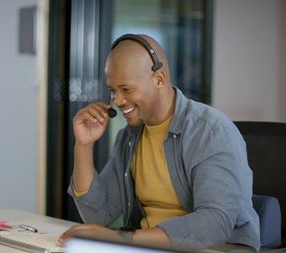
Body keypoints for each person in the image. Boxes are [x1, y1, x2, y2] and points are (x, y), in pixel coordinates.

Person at [59, 34, 260, 251]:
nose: (117, 101)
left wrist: (121, 239)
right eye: (113, 91)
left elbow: (214, 224)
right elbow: (97, 215)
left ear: (159, 79)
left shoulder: (210, 131)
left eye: (126, 89)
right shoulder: (130, 137)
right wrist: (84, 145)